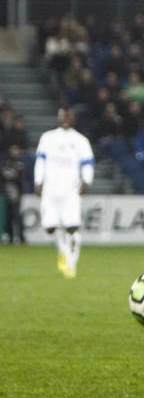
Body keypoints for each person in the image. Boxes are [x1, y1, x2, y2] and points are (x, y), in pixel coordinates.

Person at [34, 107, 95, 278]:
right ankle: (64, 252)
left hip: (70, 193)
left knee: (73, 228)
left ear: (74, 118)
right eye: (63, 116)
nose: (66, 119)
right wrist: (38, 181)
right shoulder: (47, 138)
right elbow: (40, 161)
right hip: (50, 191)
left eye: (69, 116)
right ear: (58, 118)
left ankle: (71, 265)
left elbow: (87, 163)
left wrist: (87, 181)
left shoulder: (81, 140)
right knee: (50, 228)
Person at [1, 145, 27, 244]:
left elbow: (20, 179)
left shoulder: (20, 165)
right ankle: (10, 237)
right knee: (8, 217)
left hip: (17, 194)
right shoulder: (4, 165)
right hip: (6, 194)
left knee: (17, 216)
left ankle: (21, 237)